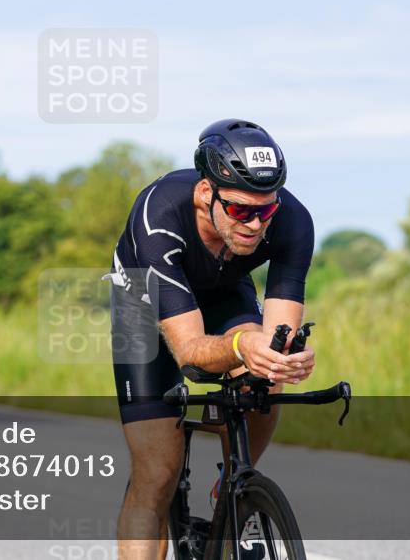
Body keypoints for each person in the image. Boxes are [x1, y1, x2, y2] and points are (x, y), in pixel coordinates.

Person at [108, 119, 317, 559]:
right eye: (241, 211)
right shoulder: (159, 216)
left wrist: (279, 358)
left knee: (267, 364)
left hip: (223, 290)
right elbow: (190, 353)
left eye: (266, 211)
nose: (255, 225)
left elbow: (278, 330)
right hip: (143, 301)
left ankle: (234, 485)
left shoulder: (293, 222)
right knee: (157, 471)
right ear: (206, 193)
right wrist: (241, 348)